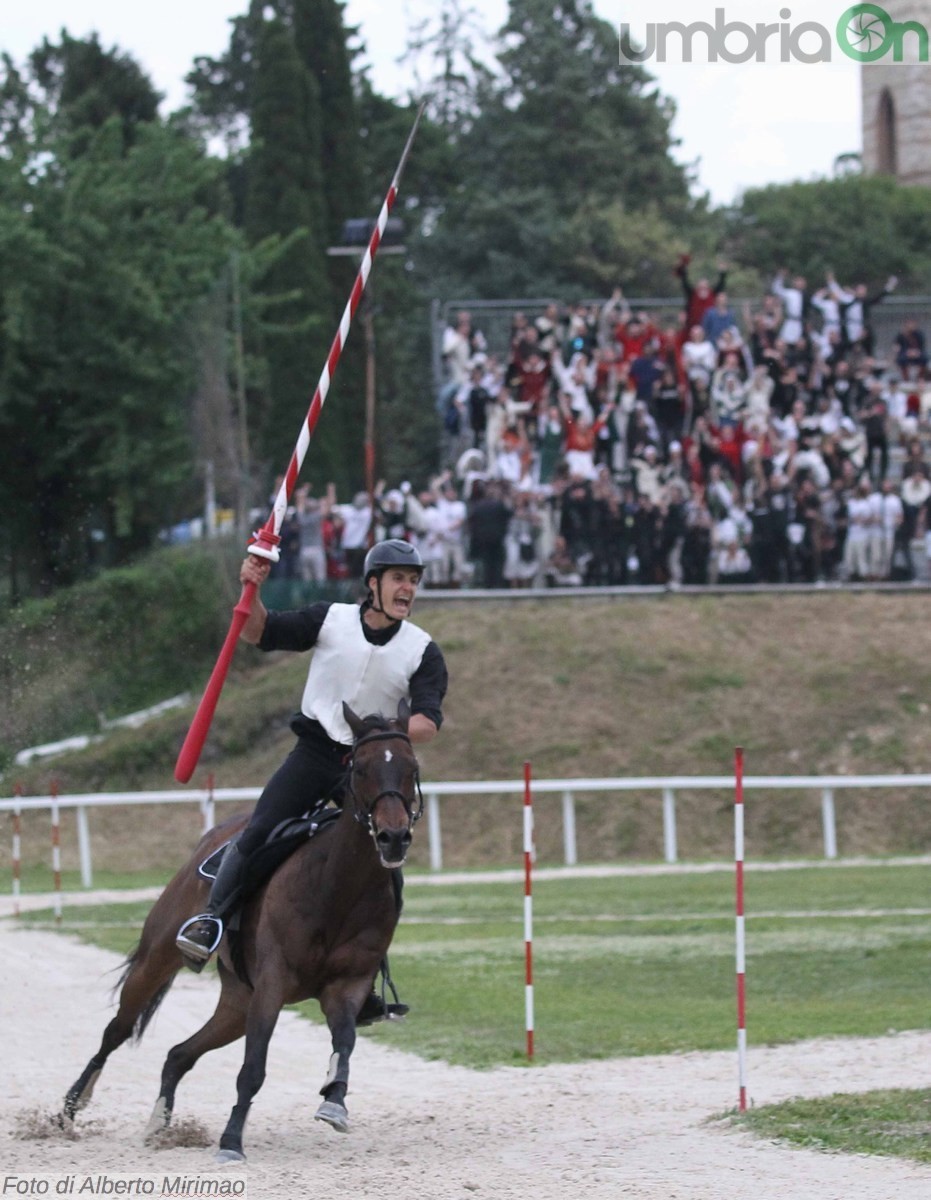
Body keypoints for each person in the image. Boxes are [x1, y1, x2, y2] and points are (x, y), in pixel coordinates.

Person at [176, 539, 448, 1021]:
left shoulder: (422, 650)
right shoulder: (331, 620)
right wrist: (252, 588)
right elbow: (257, 630)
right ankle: (211, 923)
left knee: (385, 867)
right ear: (373, 584)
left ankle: (366, 979)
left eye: (414, 580)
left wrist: (380, 734)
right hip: (316, 754)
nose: (408, 588)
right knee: (259, 831)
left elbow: (427, 723)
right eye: (399, 579)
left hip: (368, 767)